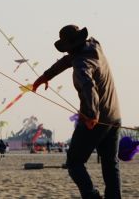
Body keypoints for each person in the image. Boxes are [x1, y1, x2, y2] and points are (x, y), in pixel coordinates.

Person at [32, 25, 121, 199]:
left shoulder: (81, 64)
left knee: (74, 162)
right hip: (115, 116)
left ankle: (92, 196)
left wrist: (91, 114)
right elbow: (68, 60)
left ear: (69, 47)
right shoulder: (95, 46)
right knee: (111, 164)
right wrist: (45, 76)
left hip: (95, 120)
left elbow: (89, 87)